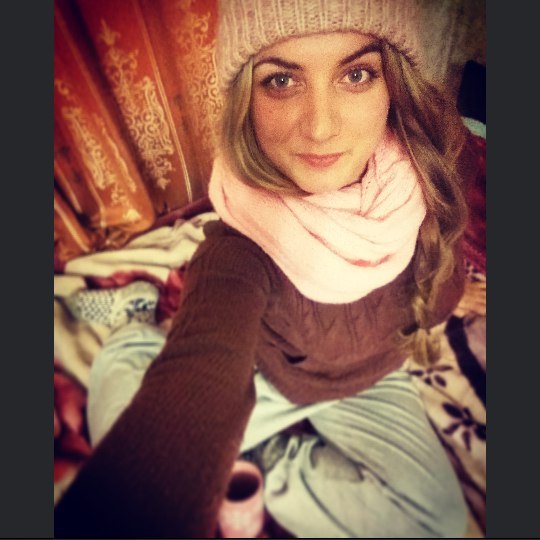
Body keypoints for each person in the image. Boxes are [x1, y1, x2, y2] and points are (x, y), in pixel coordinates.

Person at [54, 0, 486, 537]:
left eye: (356, 74)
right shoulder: (238, 247)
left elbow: (441, 265)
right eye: (281, 81)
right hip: (269, 375)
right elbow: (202, 372)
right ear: (247, 99)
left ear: (393, 83)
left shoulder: (431, 171)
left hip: (372, 381)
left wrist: (449, 288)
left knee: (437, 518)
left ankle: (264, 457)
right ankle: (136, 333)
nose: (321, 127)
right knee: (120, 409)